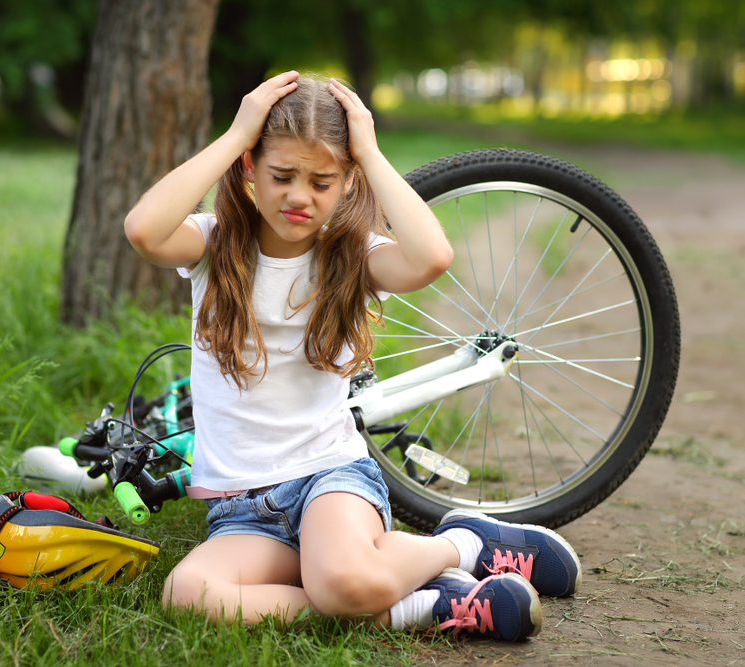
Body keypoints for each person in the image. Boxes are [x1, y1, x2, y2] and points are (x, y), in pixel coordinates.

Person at [124, 71, 581, 640]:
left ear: (346, 182)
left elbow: (433, 257)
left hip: (329, 481)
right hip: (242, 510)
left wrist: (367, 150)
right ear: (249, 169)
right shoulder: (214, 246)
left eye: (321, 181)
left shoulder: (353, 257)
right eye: (281, 175)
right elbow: (143, 230)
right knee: (187, 596)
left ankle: (463, 544)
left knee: (341, 585)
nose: (298, 196)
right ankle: (423, 602)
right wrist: (236, 134)